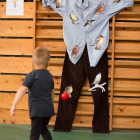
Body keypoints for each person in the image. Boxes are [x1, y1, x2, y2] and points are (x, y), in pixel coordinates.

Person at [42, 0, 134, 133]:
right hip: (75, 53)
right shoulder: (67, 3)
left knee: (100, 92)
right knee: (68, 91)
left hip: (97, 52)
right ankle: (62, 126)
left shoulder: (103, 3)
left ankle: (101, 128)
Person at [10, 47, 55, 140]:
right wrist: (50, 104)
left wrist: (14, 104)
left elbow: (22, 89)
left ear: (32, 62)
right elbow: (52, 92)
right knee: (43, 128)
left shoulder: (31, 75)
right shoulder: (50, 76)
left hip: (37, 111)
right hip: (48, 110)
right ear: (48, 63)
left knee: (34, 133)